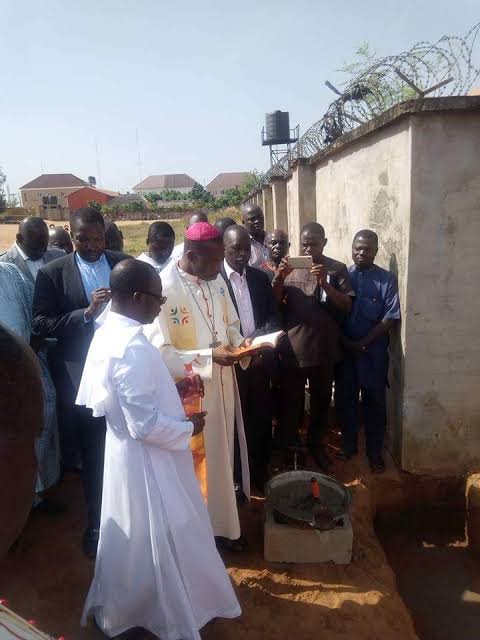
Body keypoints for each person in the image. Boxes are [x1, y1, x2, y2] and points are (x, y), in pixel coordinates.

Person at [76, 259, 241, 639]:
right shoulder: (131, 348)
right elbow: (144, 426)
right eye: (158, 298)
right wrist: (188, 427)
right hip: (148, 461)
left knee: (135, 537)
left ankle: (137, 604)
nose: (161, 306)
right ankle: (166, 612)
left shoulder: (108, 330)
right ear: (137, 298)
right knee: (165, 533)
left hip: (126, 455)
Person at [146, 221, 250, 551]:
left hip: (223, 386)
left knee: (222, 459)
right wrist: (208, 357)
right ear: (191, 256)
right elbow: (159, 353)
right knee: (199, 467)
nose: (221, 268)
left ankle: (223, 528)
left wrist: (241, 344)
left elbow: (230, 323)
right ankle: (199, 539)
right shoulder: (163, 288)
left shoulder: (215, 279)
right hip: (190, 396)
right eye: (215, 261)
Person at [32, 207, 130, 558]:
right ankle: (97, 525)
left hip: (124, 372)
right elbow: (40, 324)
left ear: (106, 235)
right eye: (83, 239)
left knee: (128, 448)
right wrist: (85, 314)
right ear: (71, 236)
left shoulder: (122, 264)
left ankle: (132, 517)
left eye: (97, 238)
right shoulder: (53, 273)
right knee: (95, 452)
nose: (91, 246)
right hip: (84, 377)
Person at [274, 222, 354, 470]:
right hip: (294, 350)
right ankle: (290, 449)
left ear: (324, 243)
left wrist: (325, 283)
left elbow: (346, 306)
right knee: (291, 403)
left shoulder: (336, 269)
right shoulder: (290, 268)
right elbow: (275, 304)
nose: (308, 249)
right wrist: (280, 277)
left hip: (323, 350)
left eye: (314, 244)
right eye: (304, 244)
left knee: (320, 402)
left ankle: (316, 445)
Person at [221, 225, 280, 491]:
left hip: (258, 361)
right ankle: (235, 477)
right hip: (231, 364)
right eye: (236, 248)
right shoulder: (215, 282)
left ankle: (260, 471)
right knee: (235, 420)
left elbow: (273, 317)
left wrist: (255, 343)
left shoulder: (260, 278)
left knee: (261, 417)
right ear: (224, 248)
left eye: (246, 249)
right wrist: (239, 349)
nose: (242, 254)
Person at [337, 230, 401, 473]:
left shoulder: (387, 280)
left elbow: (390, 317)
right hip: (346, 353)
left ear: (376, 251)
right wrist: (347, 342)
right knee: (347, 401)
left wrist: (364, 342)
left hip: (372, 354)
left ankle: (375, 453)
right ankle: (349, 446)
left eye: (367, 249)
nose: (361, 252)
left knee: (374, 404)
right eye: (358, 248)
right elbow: (333, 314)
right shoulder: (342, 276)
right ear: (352, 248)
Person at [0, 263, 60, 512]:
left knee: (36, 429)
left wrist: (29, 358)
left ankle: (32, 496)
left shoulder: (10, 272)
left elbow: (35, 317)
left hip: (25, 369)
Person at [0, 217, 65, 281]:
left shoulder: (60, 256)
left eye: (45, 247)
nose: (43, 252)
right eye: (35, 249)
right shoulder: (3, 265)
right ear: (20, 239)